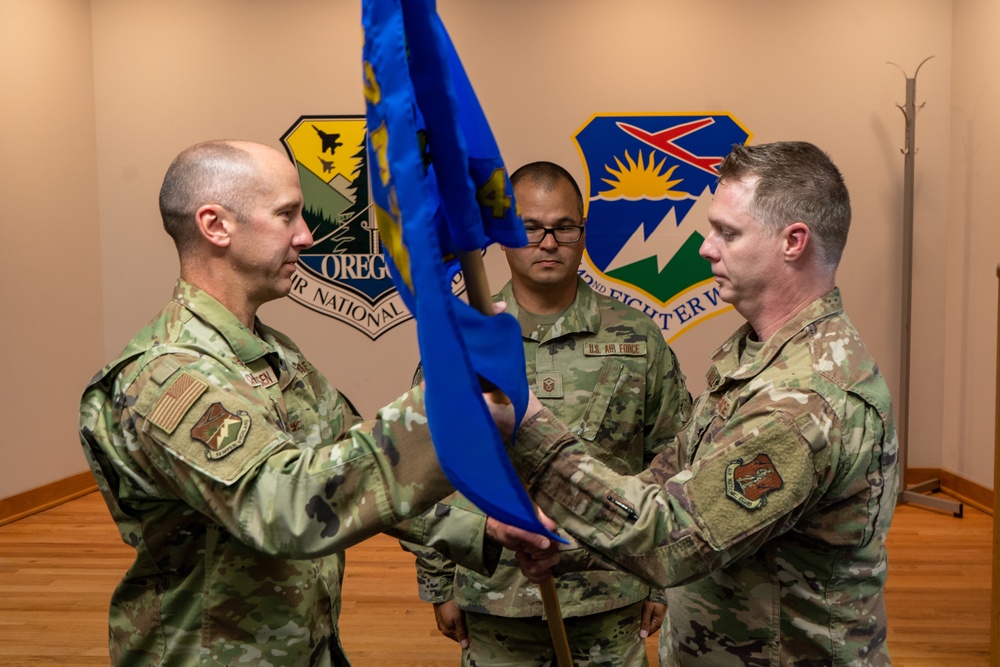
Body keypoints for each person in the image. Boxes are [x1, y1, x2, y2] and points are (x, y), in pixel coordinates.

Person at [77, 140, 549, 666]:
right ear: (216, 226)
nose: (306, 234)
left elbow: (346, 466)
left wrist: (483, 528)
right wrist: (447, 404)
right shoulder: (165, 376)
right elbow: (286, 507)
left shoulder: (274, 354)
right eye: (286, 215)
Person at [501, 142, 898, 666]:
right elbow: (662, 483)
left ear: (792, 242)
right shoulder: (753, 356)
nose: (707, 248)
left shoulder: (805, 401)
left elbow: (670, 538)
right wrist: (561, 542)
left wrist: (527, 422)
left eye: (727, 233)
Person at [401, 161, 692, 666]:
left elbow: (673, 458)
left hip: (609, 595)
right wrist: (437, 581)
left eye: (564, 227)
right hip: (495, 596)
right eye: (529, 227)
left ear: (583, 232)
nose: (548, 242)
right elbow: (428, 471)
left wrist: (661, 580)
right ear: (504, 234)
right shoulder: (465, 343)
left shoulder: (636, 336)